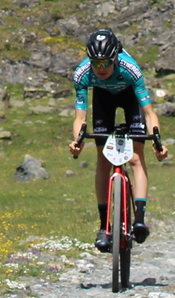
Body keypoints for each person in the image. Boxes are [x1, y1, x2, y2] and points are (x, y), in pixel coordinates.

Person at [68, 28, 169, 251]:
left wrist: (157, 143)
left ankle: (139, 220)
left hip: (130, 97)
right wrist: (77, 142)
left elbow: (150, 113)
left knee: (135, 158)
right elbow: (80, 118)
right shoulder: (82, 73)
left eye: (106, 62)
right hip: (103, 99)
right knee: (103, 160)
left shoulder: (131, 70)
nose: (101, 68)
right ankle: (104, 226)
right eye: (96, 63)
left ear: (115, 58)